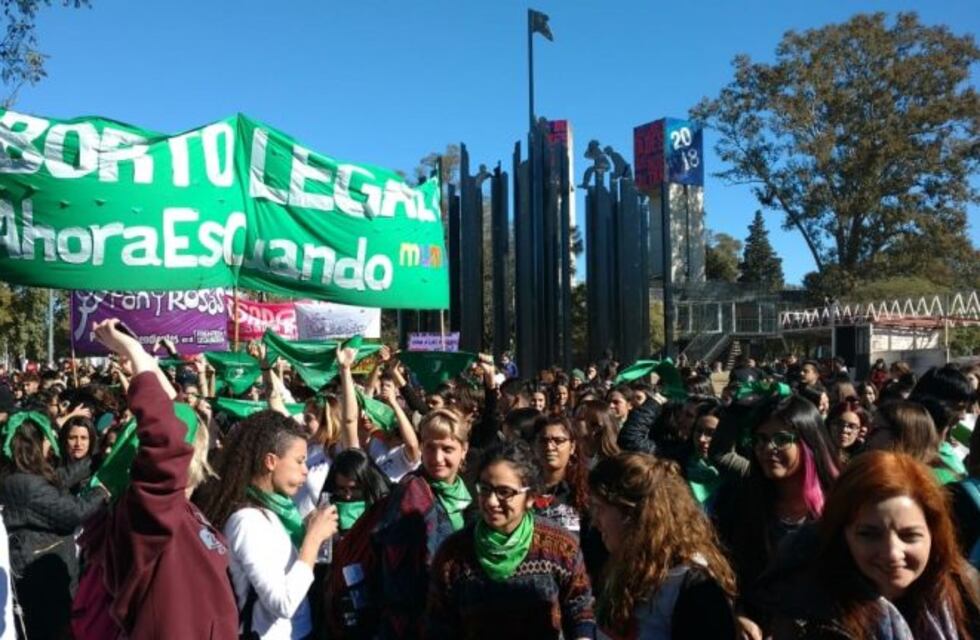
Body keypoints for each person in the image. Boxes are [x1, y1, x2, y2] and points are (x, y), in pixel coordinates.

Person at [73, 318, 238, 640]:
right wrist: (134, 352)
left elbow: (175, 414)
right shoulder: (146, 511)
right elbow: (166, 438)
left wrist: (147, 364)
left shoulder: (178, 510)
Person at [761, 451, 980, 638]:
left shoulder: (966, 594)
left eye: (909, 535)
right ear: (842, 536)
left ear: (934, 535)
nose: (892, 553)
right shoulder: (809, 619)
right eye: (869, 534)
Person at [425, 440, 596, 639]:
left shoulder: (560, 546)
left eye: (504, 492)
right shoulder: (453, 553)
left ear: (530, 497)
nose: (491, 501)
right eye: (485, 489)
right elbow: (439, 623)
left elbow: (580, 610)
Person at [328, 409, 473, 640]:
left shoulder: (472, 493)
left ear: (464, 450)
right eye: (430, 447)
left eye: (447, 449)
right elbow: (400, 574)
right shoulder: (410, 494)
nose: (437, 458)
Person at [200, 410, 339, 639]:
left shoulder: (274, 511)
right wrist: (312, 540)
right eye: (299, 461)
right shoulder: (247, 521)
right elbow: (282, 603)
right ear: (271, 461)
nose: (306, 470)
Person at [711, 395, 839, 635]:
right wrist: (737, 612)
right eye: (760, 439)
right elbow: (722, 569)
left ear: (808, 442)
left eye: (781, 439)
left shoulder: (841, 505)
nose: (768, 448)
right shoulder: (740, 502)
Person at [589, 453, 737, 638]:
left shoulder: (694, 588)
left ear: (633, 515)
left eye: (600, 508)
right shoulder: (624, 566)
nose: (594, 521)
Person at [0, 405, 109, 639]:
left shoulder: (19, 476)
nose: (50, 444)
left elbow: (59, 479)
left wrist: (96, 461)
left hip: (39, 572)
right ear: (35, 443)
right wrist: (101, 492)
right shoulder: (27, 484)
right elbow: (73, 512)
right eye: (46, 439)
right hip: (43, 582)